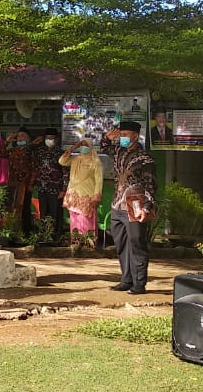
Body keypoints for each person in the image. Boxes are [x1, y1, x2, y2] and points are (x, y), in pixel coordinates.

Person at [99, 120, 156, 294]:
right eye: (120, 134)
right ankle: (126, 279)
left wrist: (147, 207)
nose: (121, 137)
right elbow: (103, 147)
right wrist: (106, 137)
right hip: (117, 204)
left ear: (135, 136)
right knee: (121, 242)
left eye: (125, 135)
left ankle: (139, 283)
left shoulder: (145, 159)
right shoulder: (118, 152)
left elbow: (151, 185)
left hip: (135, 203)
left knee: (136, 242)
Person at [59, 138, 103, 243]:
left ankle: (88, 244)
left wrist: (97, 196)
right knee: (74, 220)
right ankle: (76, 242)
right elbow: (62, 161)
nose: (83, 147)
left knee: (86, 220)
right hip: (73, 195)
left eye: (86, 145)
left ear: (91, 147)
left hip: (87, 195)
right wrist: (73, 148)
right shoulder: (75, 159)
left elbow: (99, 180)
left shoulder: (95, 161)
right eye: (81, 145)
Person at [32, 128, 68, 237]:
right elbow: (35, 166)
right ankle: (44, 235)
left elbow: (66, 173)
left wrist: (63, 189)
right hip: (42, 187)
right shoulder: (40, 152)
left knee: (55, 213)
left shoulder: (61, 153)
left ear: (56, 139)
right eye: (47, 138)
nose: (49, 140)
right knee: (43, 213)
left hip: (56, 189)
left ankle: (55, 236)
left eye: (51, 138)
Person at [5, 128, 36, 233]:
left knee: (25, 208)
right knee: (13, 208)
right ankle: (14, 231)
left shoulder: (31, 151)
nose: (19, 138)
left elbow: (34, 168)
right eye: (18, 136)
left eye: (22, 136)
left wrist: (31, 184)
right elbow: (1, 153)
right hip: (13, 184)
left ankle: (26, 233)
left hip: (25, 185)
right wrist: (8, 140)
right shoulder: (12, 151)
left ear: (28, 138)